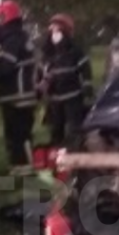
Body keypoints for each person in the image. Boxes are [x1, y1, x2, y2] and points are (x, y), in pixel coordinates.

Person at [0, 0, 37, 177]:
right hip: (15, 95)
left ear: (5, 17)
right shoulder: (18, 36)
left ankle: (27, 167)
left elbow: (6, 66)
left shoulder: (13, 39)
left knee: (20, 133)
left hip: (18, 95)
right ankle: (17, 167)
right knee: (13, 134)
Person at [39, 13, 93, 149]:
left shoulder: (75, 51)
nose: (54, 32)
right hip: (54, 100)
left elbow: (86, 72)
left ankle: (77, 154)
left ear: (66, 31)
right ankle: (56, 157)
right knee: (55, 130)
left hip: (73, 98)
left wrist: (88, 92)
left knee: (75, 129)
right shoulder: (47, 53)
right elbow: (41, 74)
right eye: (52, 29)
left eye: (58, 29)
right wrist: (39, 89)